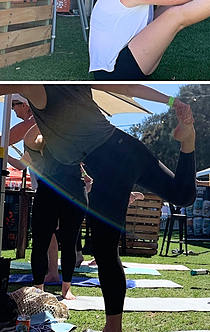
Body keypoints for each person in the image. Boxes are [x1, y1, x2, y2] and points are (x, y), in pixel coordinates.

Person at [0, 85, 197, 332]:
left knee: (104, 250)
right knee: (183, 194)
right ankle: (188, 140)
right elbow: (128, 86)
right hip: (127, 148)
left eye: (17, 104)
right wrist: (171, 101)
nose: (18, 107)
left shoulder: (42, 92)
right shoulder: (72, 87)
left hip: (108, 164)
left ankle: (112, 328)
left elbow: (13, 104)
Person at [22, 124, 86, 300]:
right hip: (49, 189)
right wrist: (44, 117)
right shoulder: (45, 138)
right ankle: (38, 288)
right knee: (40, 241)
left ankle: (66, 288)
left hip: (73, 191)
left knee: (69, 241)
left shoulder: (77, 137)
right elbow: (28, 140)